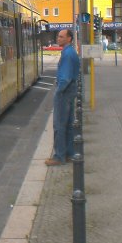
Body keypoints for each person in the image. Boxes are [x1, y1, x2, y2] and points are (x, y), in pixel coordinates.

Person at [46, 28, 80, 166]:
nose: (58, 38)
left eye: (61, 37)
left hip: (64, 93)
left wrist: (59, 91)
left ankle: (59, 156)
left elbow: (65, 78)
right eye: (58, 36)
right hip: (70, 92)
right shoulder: (70, 52)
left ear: (69, 39)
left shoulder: (67, 54)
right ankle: (69, 154)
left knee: (59, 125)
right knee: (68, 124)